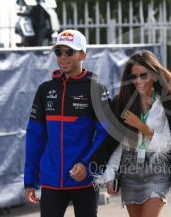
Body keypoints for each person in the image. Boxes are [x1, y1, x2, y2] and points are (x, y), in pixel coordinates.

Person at [24, 29, 111, 217]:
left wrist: (88, 164)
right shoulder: (45, 90)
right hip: (51, 180)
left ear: (83, 55)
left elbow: (107, 133)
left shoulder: (95, 89)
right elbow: (34, 136)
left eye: (69, 52)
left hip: (84, 179)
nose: (63, 57)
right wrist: (30, 180)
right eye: (59, 52)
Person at [93, 50, 171, 217]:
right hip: (129, 169)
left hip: (157, 167)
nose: (138, 81)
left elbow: (169, 144)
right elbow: (116, 143)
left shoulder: (168, 103)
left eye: (143, 75)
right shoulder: (123, 102)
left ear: (154, 74)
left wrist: (143, 128)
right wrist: (110, 175)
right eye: (134, 76)